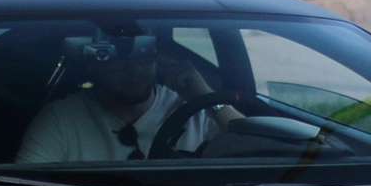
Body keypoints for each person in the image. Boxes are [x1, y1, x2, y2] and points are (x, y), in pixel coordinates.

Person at [16, 34, 219, 164]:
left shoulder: (197, 109)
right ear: (92, 65)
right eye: (117, 61)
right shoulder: (61, 119)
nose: (134, 70)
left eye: (143, 56)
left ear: (158, 60)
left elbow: (249, 144)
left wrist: (207, 97)